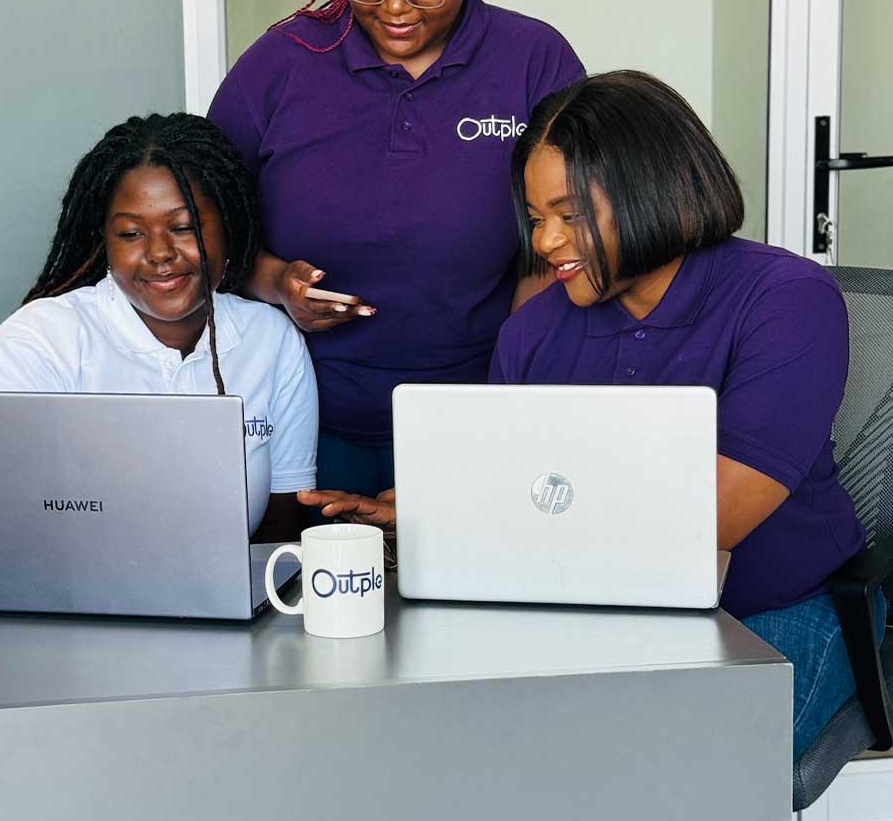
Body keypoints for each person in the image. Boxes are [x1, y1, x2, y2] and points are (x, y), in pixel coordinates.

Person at [300, 70, 881, 761]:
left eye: (570, 214)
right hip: (590, 615)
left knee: (668, 770)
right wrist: (432, 512)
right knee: (463, 748)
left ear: (653, 189)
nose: (545, 242)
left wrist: (495, 514)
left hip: (774, 609)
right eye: (535, 218)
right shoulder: (532, 332)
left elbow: (712, 521)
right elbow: (520, 490)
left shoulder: (786, 299)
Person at [209, 0, 585, 498]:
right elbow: (205, 226)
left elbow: (569, 237)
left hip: (478, 422)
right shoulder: (282, 64)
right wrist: (277, 284)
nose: (393, 7)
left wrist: (505, 409)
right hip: (299, 422)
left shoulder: (534, 62)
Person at [0, 113, 318, 616]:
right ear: (104, 241)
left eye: (183, 227)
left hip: (220, 617)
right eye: (130, 233)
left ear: (228, 223)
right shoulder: (42, 338)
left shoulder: (271, 341)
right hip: (55, 618)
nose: (160, 253)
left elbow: (280, 529)